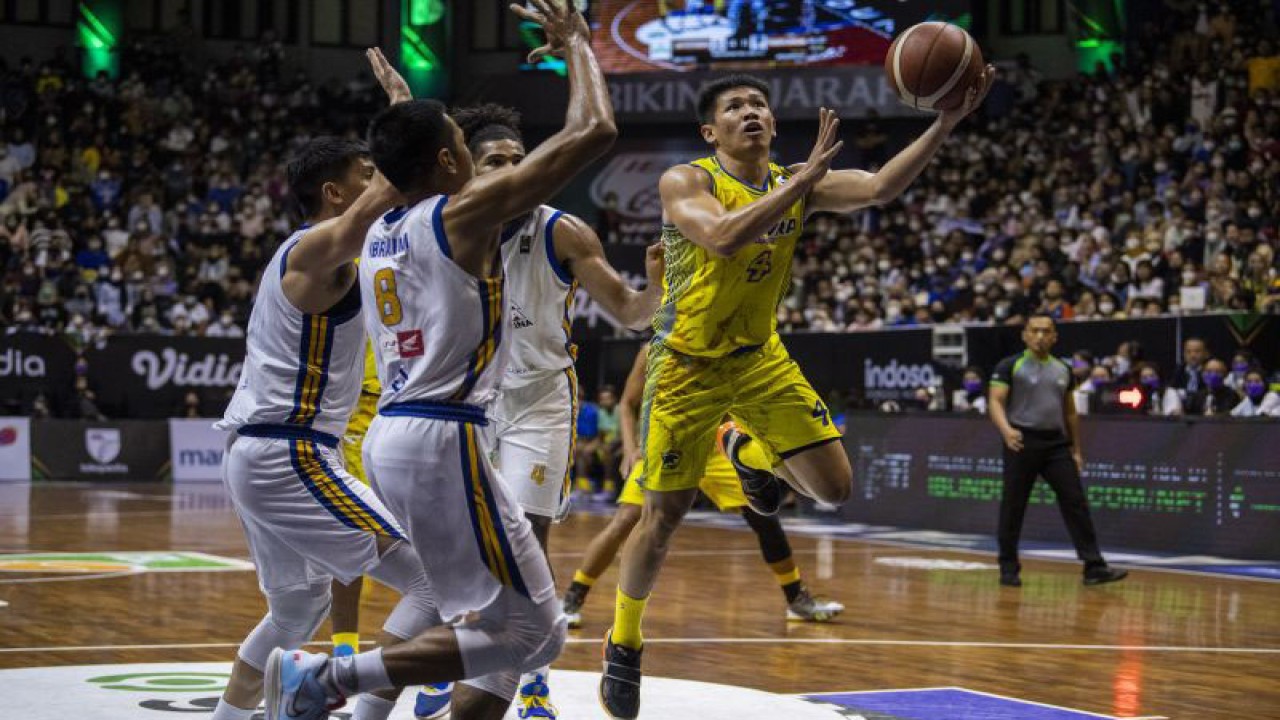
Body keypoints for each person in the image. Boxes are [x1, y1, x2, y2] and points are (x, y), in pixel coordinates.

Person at [599, 65, 995, 720]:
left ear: (774, 124)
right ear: (711, 130)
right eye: (735, 106)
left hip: (758, 358)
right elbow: (723, 237)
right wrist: (805, 183)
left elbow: (876, 187)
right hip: (686, 365)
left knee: (834, 489)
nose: (750, 111)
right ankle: (626, 639)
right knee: (662, 517)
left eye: (759, 103)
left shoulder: (792, 183)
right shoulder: (689, 180)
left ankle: (746, 453)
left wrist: (944, 122)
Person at [262, 4, 617, 719]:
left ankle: (355, 693)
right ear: (453, 164)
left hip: (405, 432)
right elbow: (594, 132)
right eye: (460, 140)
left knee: (478, 615)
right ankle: (327, 679)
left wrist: (405, 111)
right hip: (441, 438)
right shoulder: (460, 217)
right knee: (532, 632)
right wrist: (579, 42)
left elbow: (408, 164)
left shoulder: (382, 228)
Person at [406, 101, 661, 719]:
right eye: (496, 161)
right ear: (465, 170)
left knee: (525, 542)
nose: (515, 170)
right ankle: (452, 653)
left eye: (521, 160)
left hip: (539, 399)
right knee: (456, 542)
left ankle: (533, 677)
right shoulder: (444, 224)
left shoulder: (563, 230)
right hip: (464, 398)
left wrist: (657, 285)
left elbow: (632, 314)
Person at [211, 55, 426, 720]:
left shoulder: (320, 252)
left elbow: (406, 202)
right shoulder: (314, 252)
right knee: (430, 582)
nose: (378, 181)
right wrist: (405, 119)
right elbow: (397, 188)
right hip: (289, 453)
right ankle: (338, 695)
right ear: (337, 195)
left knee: (295, 607)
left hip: (263, 453)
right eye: (365, 173)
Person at [562, 346, 844, 628]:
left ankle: (796, 599)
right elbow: (627, 403)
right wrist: (629, 447)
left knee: (764, 518)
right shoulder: (652, 349)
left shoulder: (722, 338)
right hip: (666, 444)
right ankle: (573, 597)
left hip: (715, 445)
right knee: (626, 521)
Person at [987, 313, 1127, 589]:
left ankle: (1094, 567)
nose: (1040, 336)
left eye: (1046, 331)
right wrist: (1006, 431)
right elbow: (994, 401)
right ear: (1025, 335)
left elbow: (1071, 413)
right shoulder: (1009, 365)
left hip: (1055, 444)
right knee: (1013, 506)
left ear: (1054, 337)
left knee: (1075, 501)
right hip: (1021, 440)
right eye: (1035, 331)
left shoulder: (1063, 369)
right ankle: (1008, 567)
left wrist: (1076, 450)